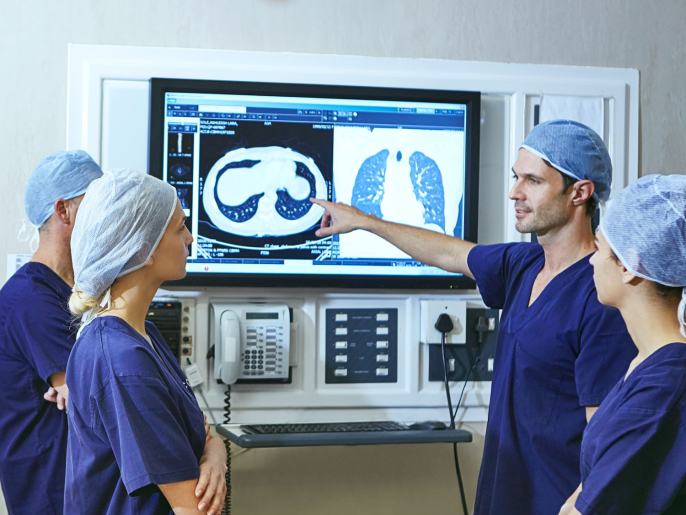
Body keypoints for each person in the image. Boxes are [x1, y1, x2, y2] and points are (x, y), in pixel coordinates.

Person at [311, 120, 636, 515]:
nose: (514, 192)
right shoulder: (523, 264)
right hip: (501, 497)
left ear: (580, 192)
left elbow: (606, 444)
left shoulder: (600, 296)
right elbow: (450, 253)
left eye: (533, 180)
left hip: (555, 504)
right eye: (516, 177)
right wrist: (365, 221)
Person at [65, 169, 227, 514]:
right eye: (181, 227)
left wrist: (216, 457)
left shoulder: (144, 337)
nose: (191, 238)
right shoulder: (123, 361)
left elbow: (206, 436)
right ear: (143, 249)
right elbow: (193, 507)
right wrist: (213, 455)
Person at [559, 174, 686, 515]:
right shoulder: (646, 364)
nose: (591, 261)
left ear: (631, 265)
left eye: (599, 248)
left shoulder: (665, 387)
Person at [0, 150, 102, 514]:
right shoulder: (32, 300)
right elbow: (94, 402)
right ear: (64, 211)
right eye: (97, 205)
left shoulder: (74, 294)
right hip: (50, 492)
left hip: (80, 484)